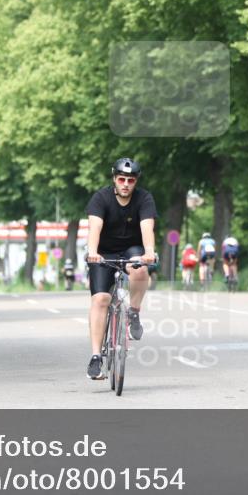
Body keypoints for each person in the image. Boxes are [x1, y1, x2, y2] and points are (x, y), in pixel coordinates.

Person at [85, 157, 157, 380]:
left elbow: (147, 228)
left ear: (136, 182)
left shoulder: (144, 198)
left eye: (130, 180)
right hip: (103, 252)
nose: (126, 184)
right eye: (122, 179)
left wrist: (149, 252)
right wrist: (92, 252)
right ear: (114, 179)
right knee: (101, 299)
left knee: (141, 270)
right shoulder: (101, 198)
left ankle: (133, 312)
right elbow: (94, 227)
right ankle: (96, 356)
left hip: (131, 249)